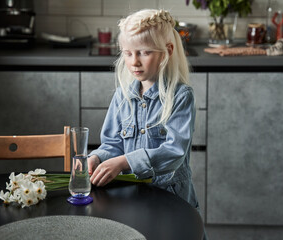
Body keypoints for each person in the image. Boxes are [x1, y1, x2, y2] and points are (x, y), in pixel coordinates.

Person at [88, 10, 206, 238]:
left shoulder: (181, 96)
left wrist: (123, 163)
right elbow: (112, 144)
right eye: (128, 53)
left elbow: (174, 152)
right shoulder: (122, 96)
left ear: (166, 52)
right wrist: (98, 157)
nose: (134, 61)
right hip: (130, 197)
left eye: (144, 52)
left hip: (170, 199)